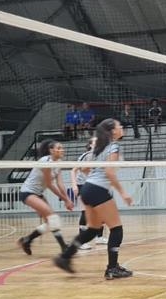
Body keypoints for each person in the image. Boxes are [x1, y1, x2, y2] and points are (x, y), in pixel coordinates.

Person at [53, 118, 135, 279]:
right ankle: (112, 268)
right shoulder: (113, 147)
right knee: (116, 229)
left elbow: (84, 169)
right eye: (119, 126)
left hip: (88, 188)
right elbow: (110, 173)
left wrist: (94, 179)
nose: (122, 127)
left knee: (92, 229)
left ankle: (65, 257)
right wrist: (123, 193)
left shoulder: (98, 148)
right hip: (98, 189)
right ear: (112, 131)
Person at [16, 139, 74, 255]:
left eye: (62, 147)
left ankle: (27, 240)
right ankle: (64, 247)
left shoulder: (59, 163)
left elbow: (60, 183)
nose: (62, 150)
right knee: (53, 217)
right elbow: (49, 184)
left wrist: (67, 199)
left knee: (50, 222)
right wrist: (64, 199)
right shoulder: (45, 161)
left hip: (38, 193)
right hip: (27, 192)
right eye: (58, 148)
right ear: (51, 150)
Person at [72, 137, 106, 251]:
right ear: (90, 145)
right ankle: (81, 242)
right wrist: (74, 185)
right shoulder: (87, 155)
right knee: (85, 212)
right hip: (82, 185)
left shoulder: (100, 156)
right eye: (95, 142)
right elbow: (74, 170)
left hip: (93, 185)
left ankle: (99, 237)